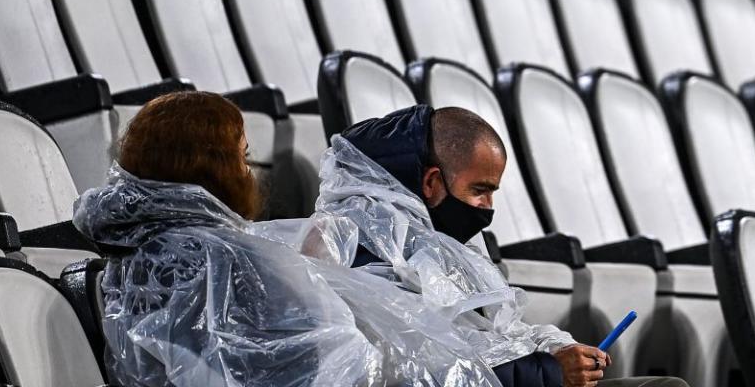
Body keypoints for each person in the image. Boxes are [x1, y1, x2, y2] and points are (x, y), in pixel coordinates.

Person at [73, 91, 499, 387]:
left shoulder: (132, 260)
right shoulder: (230, 262)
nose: (249, 172)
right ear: (214, 169)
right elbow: (355, 377)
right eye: (241, 156)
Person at [318, 104, 690, 387]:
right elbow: (404, 368)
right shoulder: (359, 244)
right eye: (479, 190)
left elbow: (495, 336)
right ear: (432, 182)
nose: (487, 208)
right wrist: (546, 373)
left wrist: (553, 350)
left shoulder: (435, 239)